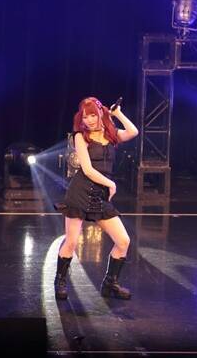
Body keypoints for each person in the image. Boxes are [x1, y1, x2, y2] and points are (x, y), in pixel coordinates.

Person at [55, 97, 139, 300]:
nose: (89, 120)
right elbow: (87, 170)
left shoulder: (111, 134)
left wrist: (117, 114)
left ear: (100, 113)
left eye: (93, 115)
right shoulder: (80, 136)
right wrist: (111, 184)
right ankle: (60, 281)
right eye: (85, 117)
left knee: (123, 241)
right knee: (71, 242)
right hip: (80, 192)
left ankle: (110, 284)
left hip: (100, 197)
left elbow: (133, 132)